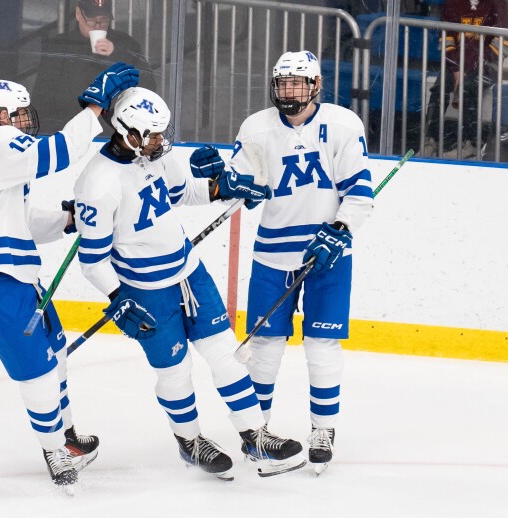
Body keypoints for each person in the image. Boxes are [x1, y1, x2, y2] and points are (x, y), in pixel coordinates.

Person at [73, 86, 306, 481]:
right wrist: (119, 298)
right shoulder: (97, 184)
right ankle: (190, 442)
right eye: (153, 135)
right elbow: (92, 261)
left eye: (163, 133)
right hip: (145, 292)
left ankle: (255, 436)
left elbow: (181, 194)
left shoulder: (154, 154)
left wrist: (220, 188)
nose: (162, 142)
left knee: (226, 354)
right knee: (176, 371)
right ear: (128, 133)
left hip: (190, 274)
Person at [0, 63, 140, 490]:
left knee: (56, 356)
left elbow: (21, 221)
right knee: (36, 371)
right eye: (18, 113)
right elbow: (58, 154)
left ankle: (68, 437)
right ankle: (54, 451)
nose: (25, 121)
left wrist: (66, 218)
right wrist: (95, 105)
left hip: (15, 279)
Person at [220, 51, 374, 475]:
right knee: (266, 347)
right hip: (272, 252)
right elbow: (239, 187)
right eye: (283, 83)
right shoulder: (256, 127)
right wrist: (222, 178)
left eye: (298, 83)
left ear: (315, 85)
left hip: (328, 254)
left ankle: (323, 431)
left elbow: (359, 190)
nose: (289, 91)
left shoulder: (343, 125)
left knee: (321, 345)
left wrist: (340, 229)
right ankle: (258, 433)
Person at [31, 0, 156, 134]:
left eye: (103, 21)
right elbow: (42, 95)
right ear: (78, 14)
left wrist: (116, 56)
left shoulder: (126, 44)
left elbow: (147, 86)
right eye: (92, 20)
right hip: (69, 133)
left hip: (113, 135)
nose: (98, 27)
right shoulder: (59, 45)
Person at [420, 0, 508, 159]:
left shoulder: (499, 3)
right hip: (457, 66)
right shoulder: (452, 3)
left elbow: (503, 41)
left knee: (468, 88)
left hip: (487, 67)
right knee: (439, 88)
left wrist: (473, 68)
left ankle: (473, 146)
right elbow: (446, 38)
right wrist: (457, 68)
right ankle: (430, 141)